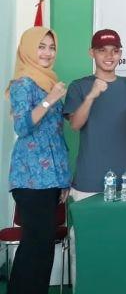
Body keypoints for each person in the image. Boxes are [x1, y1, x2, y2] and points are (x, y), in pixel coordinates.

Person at [5, 27, 71, 294]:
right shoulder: (22, 83)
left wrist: (63, 179)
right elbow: (22, 126)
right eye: (41, 46)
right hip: (30, 178)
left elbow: (56, 135)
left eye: (51, 47)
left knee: (43, 247)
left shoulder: (49, 81)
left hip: (51, 180)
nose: (47, 53)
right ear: (29, 49)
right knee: (34, 245)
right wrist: (50, 99)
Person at [64, 29, 126, 201]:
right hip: (89, 180)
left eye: (115, 50)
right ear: (92, 53)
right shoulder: (79, 86)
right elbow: (75, 125)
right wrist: (91, 96)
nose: (109, 56)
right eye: (102, 50)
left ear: (120, 53)